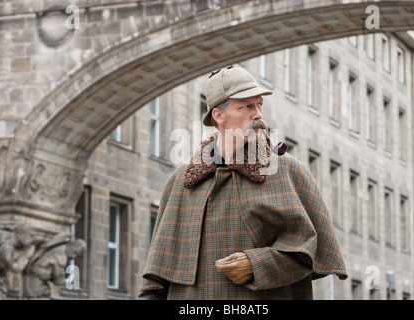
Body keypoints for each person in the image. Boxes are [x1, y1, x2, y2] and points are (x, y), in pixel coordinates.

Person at [137, 66, 347, 300]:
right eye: (246, 106)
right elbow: (156, 278)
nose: (258, 115)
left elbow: (310, 250)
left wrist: (256, 265)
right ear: (219, 116)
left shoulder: (286, 170)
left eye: (259, 105)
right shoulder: (180, 182)